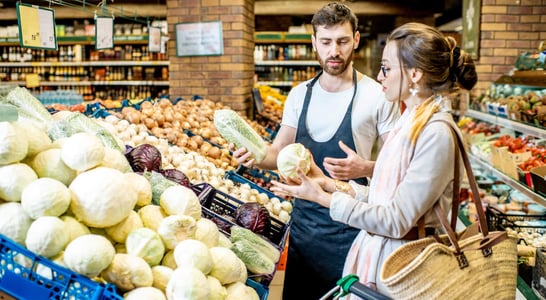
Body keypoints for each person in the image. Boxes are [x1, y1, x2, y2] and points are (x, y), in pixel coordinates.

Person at [269, 22, 478, 298]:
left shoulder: (436, 133)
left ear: (414, 73)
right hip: (385, 261)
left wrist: (322, 198)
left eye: (387, 68)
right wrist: (328, 184)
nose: (380, 76)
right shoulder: (411, 122)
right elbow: (384, 198)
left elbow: (395, 220)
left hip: (405, 271)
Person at [232, 2, 398, 299]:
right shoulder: (299, 95)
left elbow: (396, 165)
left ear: (356, 40)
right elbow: (278, 153)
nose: (334, 50)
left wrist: (366, 168)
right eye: (326, 42)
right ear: (314, 43)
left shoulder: (377, 95)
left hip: (354, 229)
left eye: (343, 41)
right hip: (305, 231)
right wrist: (255, 156)